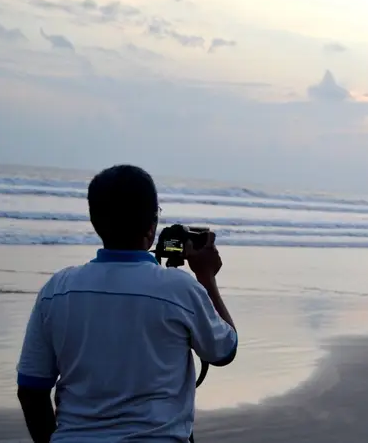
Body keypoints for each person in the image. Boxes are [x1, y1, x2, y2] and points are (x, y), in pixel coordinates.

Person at [15, 164, 238, 442]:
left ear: (94, 220)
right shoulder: (180, 289)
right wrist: (206, 277)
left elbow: (31, 389)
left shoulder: (57, 290)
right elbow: (223, 350)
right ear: (152, 223)